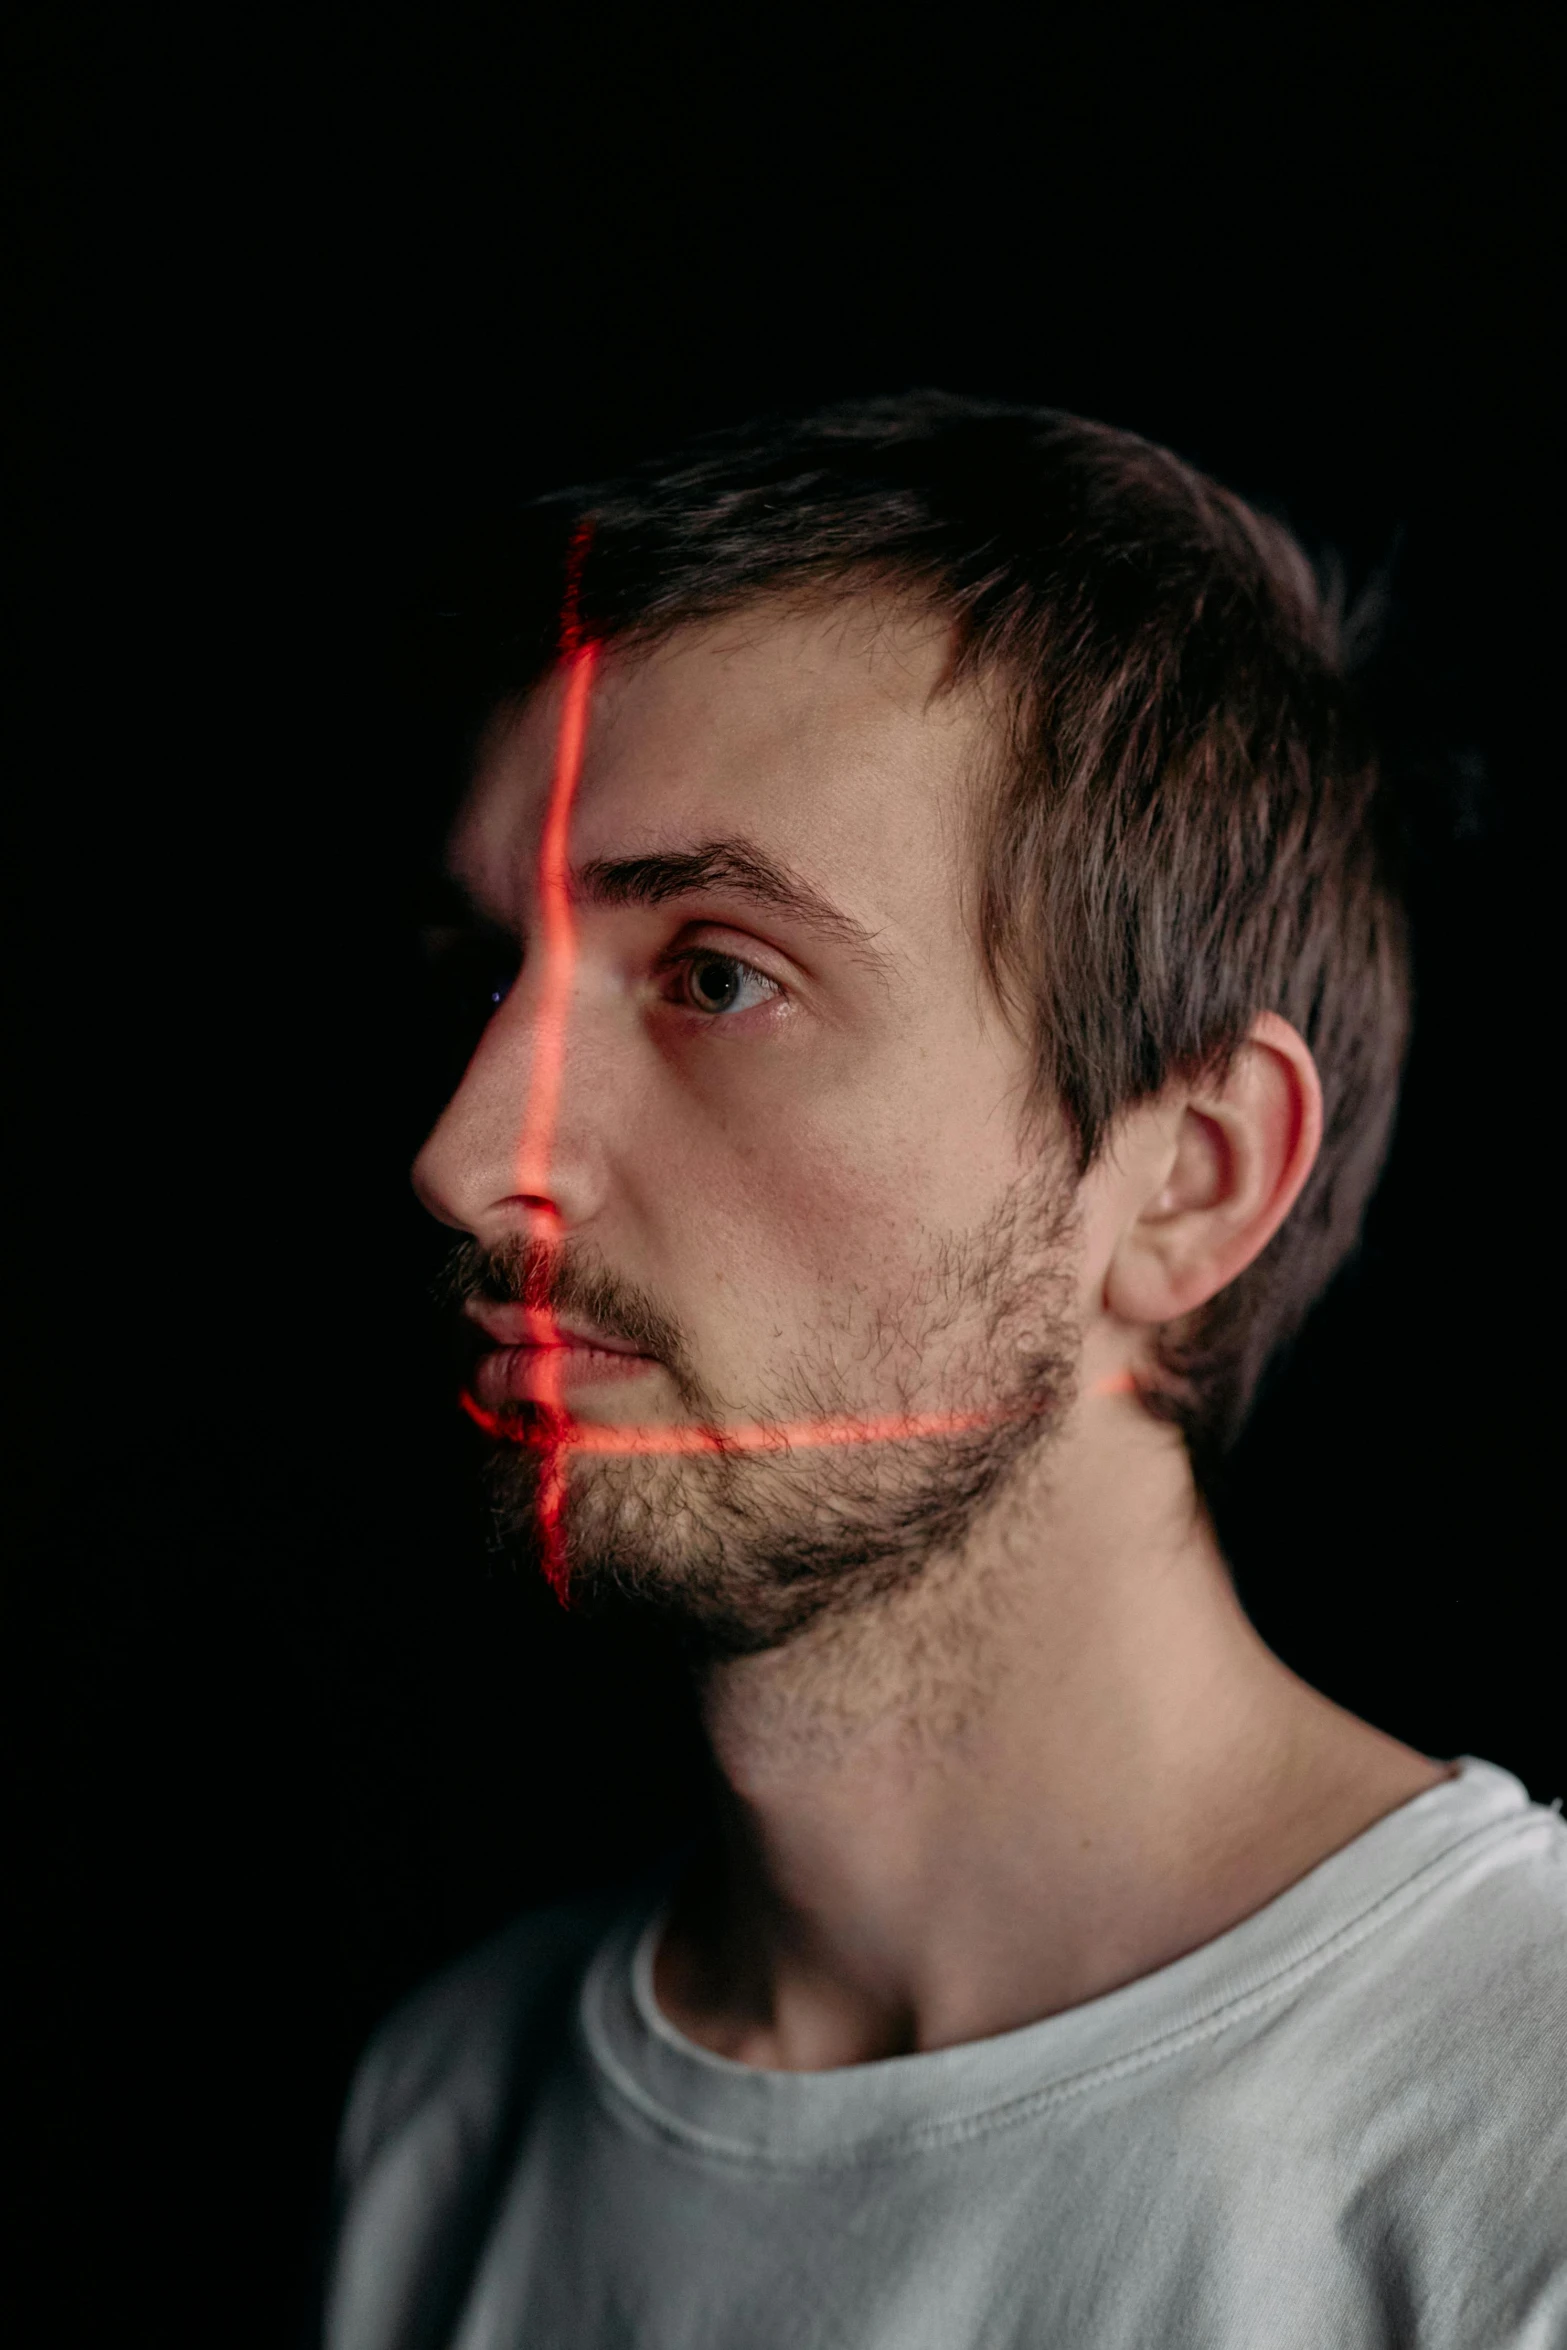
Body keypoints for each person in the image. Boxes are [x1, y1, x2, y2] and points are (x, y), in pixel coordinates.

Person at [322, 397, 1566, 2349]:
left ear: (1189, 1176)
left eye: (717, 972)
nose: (467, 1156)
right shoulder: (443, 2111)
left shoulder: (1520, 2147)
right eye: (494, 976)